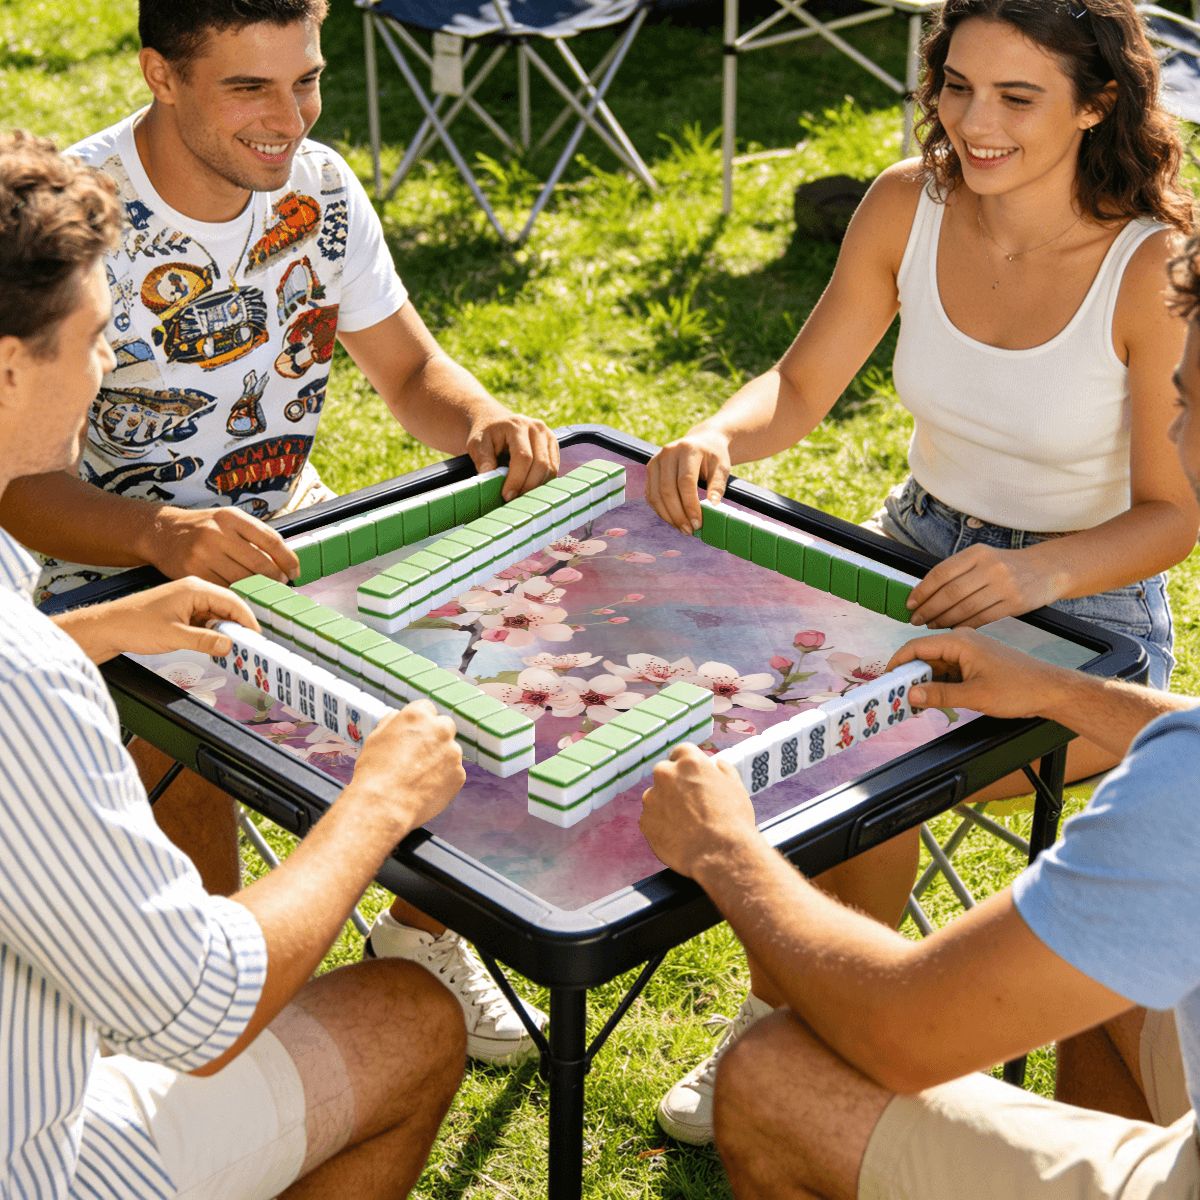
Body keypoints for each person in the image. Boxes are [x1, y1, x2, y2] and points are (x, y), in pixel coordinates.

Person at [643, 0, 1199, 1143]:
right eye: (955, 85)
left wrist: (1033, 576)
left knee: (865, 767)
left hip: (1090, 623)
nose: (971, 123)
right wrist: (718, 435)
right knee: (821, 739)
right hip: (904, 558)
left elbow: (1170, 518)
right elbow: (800, 389)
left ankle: (787, 1030)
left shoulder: (1154, 269)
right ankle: (799, 1024)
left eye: (1015, 97)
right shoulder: (908, 202)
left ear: (1099, 104)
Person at [0, 0, 557, 1062]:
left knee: (479, 673)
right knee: (192, 735)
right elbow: (17, 486)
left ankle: (421, 939)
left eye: (306, 80)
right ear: (159, 75)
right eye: (248, 88)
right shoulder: (79, 224)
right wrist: (162, 535)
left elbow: (409, 371)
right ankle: (202, 1007)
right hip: (100, 573)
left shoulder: (325, 188)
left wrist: (482, 418)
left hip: (297, 532)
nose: (288, 118)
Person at [0, 128, 467, 1200]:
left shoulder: (28, 655)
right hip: (36, 1156)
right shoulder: (20, 678)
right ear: (11, 364)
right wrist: (377, 804)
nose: (110, 365)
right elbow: (196, 1012)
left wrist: (95, 633)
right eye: (96, 340)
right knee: (411, 1017)